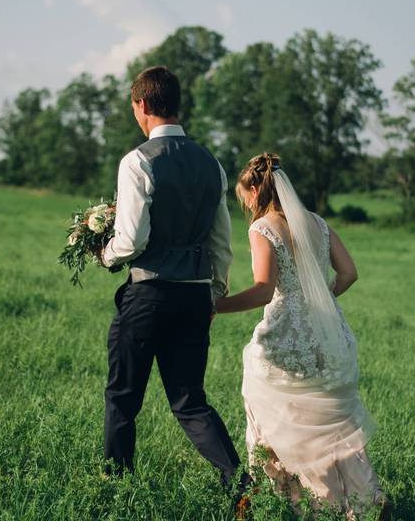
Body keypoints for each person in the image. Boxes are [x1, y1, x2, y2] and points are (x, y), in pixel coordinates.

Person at [100, 66, 251, 509]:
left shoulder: (138, 161)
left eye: (133, 106)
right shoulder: (213, 164)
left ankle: (114, 491)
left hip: (147, 296)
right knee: (190, 402)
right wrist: (213, 294)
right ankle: (241, 487)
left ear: (143, 105)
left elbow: (131, 241)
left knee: (123, 398)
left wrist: (105, 254)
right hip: (194, 297)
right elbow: (221, 242)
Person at [214, 152, 392, 520]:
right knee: (328, 421)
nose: (244, 204)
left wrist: (216, 306)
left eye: (243, 196)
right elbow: (349, 274)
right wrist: (318, 299)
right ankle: (362, 501)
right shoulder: (317, 223)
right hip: (328, 332)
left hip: (285, 335)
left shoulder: (262, 227)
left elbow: (264, 291)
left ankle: (286, 500)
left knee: (273, 407)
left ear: (255, 191)